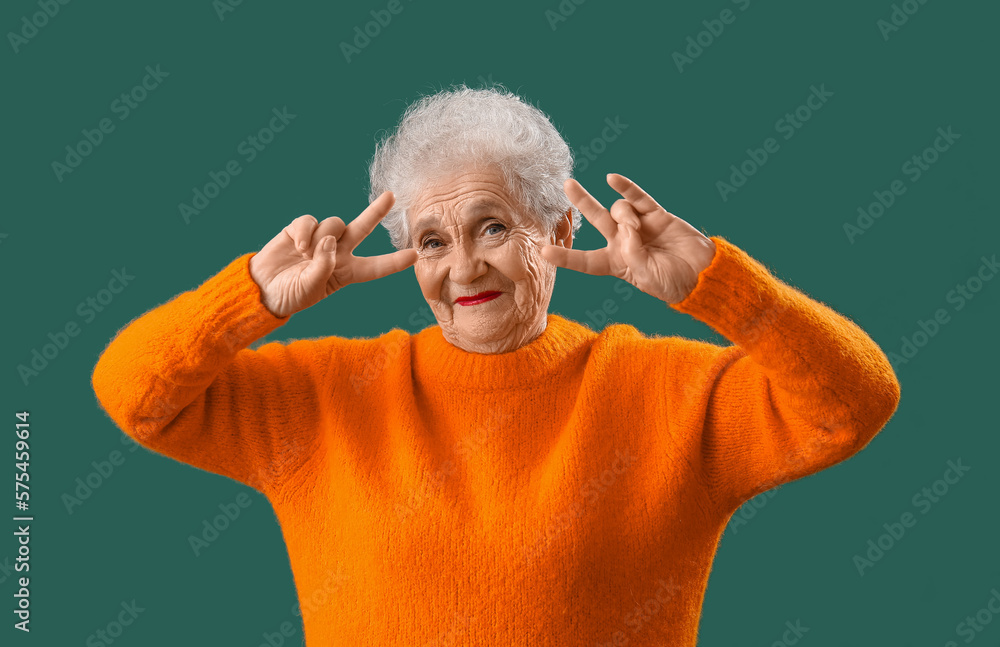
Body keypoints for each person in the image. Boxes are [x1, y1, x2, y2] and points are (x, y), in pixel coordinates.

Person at [91, 85, 901, 646]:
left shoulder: (668, 392)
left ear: (561, 230)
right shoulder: (329, 395)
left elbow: (855, 403)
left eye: (492, 227)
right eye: (433, 242)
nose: (463, 268)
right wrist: (254, 298)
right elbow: (131, 393)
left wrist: (720, 288)